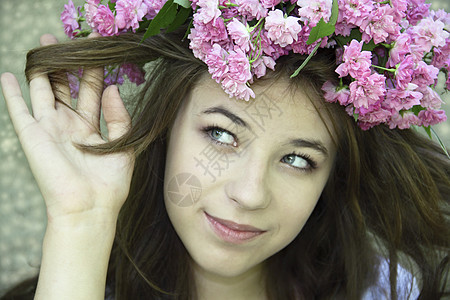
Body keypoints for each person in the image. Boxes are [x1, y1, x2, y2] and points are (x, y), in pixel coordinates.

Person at [1, 0, 449, 299]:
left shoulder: (387, 290)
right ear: (166, 124)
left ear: (332, 177)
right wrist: (82, 224)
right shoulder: (72, 281)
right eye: (220, 134)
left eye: (298, 160)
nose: (250, 194)